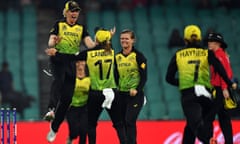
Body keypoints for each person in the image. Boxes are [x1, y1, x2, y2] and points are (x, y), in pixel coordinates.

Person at [45, 29, 127, 144]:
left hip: (96, 93)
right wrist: (109, 35)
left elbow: (71, 58)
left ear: (97, 40)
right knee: (119, 124)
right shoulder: (111, 51)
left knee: (91, 125)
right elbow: (107, 42)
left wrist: (56, 53)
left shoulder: (89, 53)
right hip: (112, 92)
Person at [165, 25, 237, 144]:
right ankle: (210, 138)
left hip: (189, 94)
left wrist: (181, 82)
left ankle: (209, 141)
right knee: (198, 123)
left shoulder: (178, 54)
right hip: (205, 92)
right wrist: (229, 83)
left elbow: (169, 78)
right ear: (199, 39)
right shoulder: (206, 53)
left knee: (195, 124)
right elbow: (220, 68)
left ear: (185, 39)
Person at [43, 0, 95, 122]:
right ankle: (51, 110)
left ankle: (64, 112)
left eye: (76, 11)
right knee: (58, 81)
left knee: (69, 89)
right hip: (58, 57)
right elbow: (50, 41)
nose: (74, 13)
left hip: (72, 60)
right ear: (66, 12)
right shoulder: (59, 24)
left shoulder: (81, 28)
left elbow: (89, 44)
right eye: (72, 11)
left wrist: (98, 43)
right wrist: (54, 42)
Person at [115, 29, 147, 144]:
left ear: (133, 40)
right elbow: (115, 76)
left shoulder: (139, 56)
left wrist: (137, 89)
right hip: (122, 94)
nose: (124, 41)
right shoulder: (117, 57)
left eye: (126, 38)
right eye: (122, 38)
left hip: (135, 95)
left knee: (129, 120)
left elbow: (144, 77)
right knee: (123, 122)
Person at [207, 32, 234, 144]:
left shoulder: (219, 55)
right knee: (224, 118)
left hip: (219, 90)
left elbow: (226, 73)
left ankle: (211, 140)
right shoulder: (221, 54)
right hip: (220, 89)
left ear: (217, 43)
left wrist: (224, 88)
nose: (209, 43)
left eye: (211, 41)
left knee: (209, 117)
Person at [66, 61, 90, 144]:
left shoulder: (89, 81)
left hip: (84, 108)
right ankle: (71, 137)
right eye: (78, 70)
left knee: (84, 131)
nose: (80, 70)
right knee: (74, 131)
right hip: (71, 108)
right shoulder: (71, 80)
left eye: (81, 70)